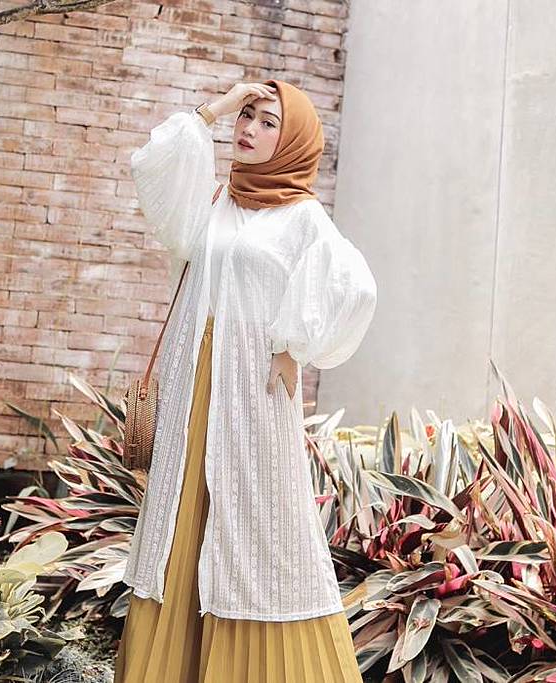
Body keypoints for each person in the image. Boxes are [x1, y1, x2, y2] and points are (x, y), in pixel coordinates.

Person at [113, 79, 377, 682]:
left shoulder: (303, 216)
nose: (249, 129)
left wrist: (294, 343)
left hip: (251, 389)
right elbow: (153, 165)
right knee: (181, 519)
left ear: (294, 139)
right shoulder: (216, 200)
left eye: (267, 121)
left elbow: (353, 285)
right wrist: (220, 104)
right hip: (191, 380)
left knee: (259, 522)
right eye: (247, 117)